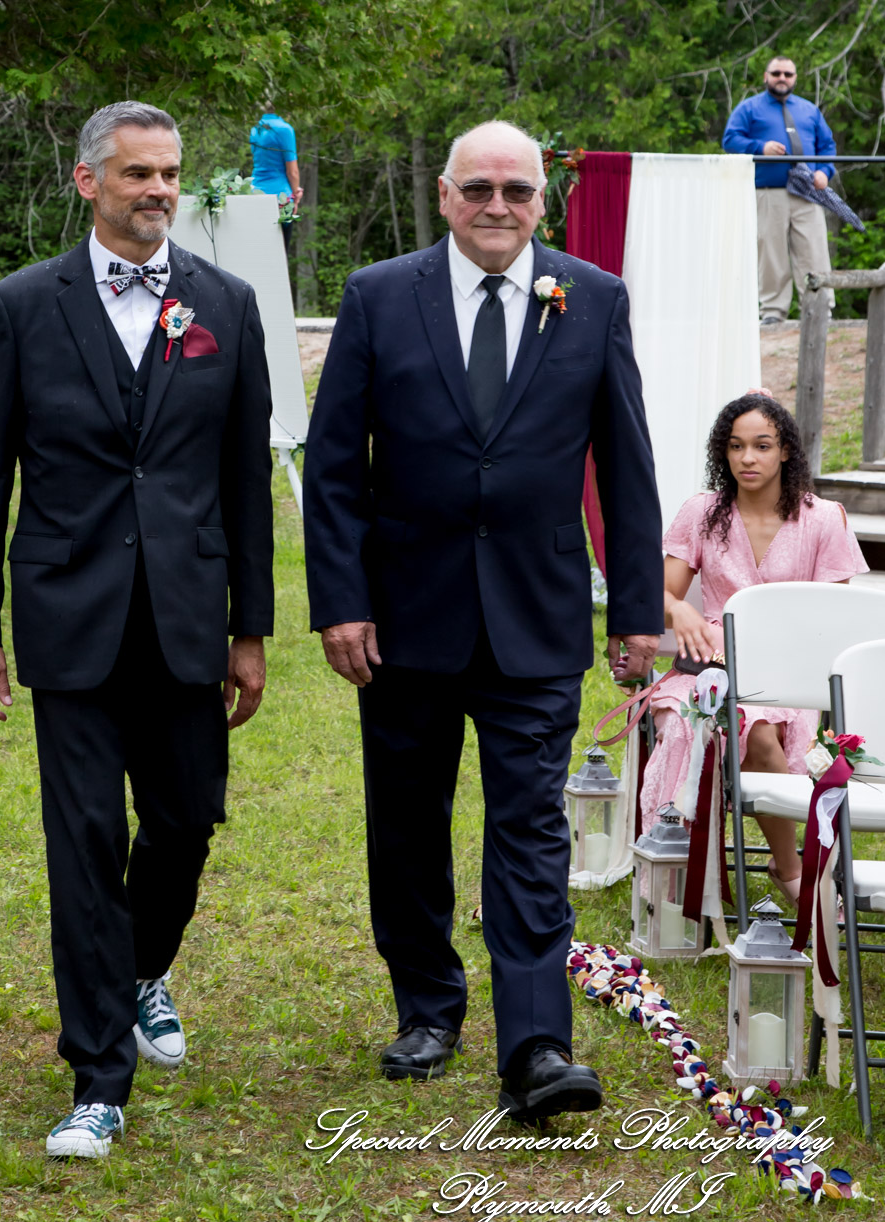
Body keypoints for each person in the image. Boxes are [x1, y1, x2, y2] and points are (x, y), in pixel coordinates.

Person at [303, 118, 664, 1122]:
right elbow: (333, 471)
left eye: (517, 190)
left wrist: (636, 607)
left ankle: (538, 1042)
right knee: (408, 825)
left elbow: (628, 470)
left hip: (537, 617)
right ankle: (427, 1005)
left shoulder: (593, 300)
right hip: (404, 616)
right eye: (479, 189)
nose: (498, 206)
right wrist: (341, 602)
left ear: (542, 200)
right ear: (445, 196)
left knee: (531, 829)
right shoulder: (381, 297)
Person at [0, 100, 274, 1158]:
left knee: (184, 821)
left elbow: (242, 482)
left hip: (186, 615)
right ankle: (98, 1076)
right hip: (68, 613)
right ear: (89, 182)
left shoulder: (226, 302)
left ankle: (140, 970)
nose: (159, 192)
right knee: (84, 840)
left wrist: (251, 627)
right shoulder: (20, 306)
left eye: (170, 173)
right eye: (137, 174)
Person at [642, 392, 868, 898]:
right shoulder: (703, 512)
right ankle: (677, 866)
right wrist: (678, 609)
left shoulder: (823, 519)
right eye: (736, 446)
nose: (748, 458)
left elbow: (833, 622)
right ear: (722, 452)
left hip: (789, 675)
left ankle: (786, 870)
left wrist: (787, 661)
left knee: (762, 730)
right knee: (688, 723)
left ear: (785, 450)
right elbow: (657, 593)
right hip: (706, 669)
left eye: (762, 446)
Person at [722, 55, 837, 327]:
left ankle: (821, 310)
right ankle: (773, 312)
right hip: (768, 191)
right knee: (771, 253)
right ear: (766, 76)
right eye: (776, 73)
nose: (782, 78)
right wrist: (760, 148)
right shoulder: (749, 108)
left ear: (795, 78)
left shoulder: (809, 110)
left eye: (788, 74)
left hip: (808, 193)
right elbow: (730, 139)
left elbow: (828, 146)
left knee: (815, 251)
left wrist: (825, 172)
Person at [249, 101, 303, 253]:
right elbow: (292, 172)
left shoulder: (256, 129)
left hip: (254, 193)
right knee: (280, 254)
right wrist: (295, 194)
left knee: (260, 252)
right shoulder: (285, 129)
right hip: (281, 198)